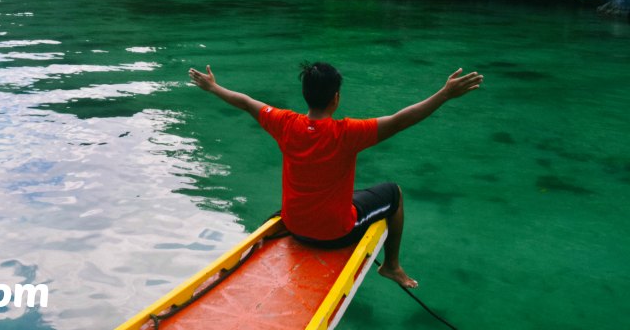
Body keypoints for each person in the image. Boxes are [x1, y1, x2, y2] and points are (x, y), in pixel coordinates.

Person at [187, 61, 482, 289]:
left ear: (306, 95)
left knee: (340, 193)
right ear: (336, 98)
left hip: (294, 226)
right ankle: (391, 265)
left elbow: (246, 102)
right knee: (394, 193)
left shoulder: (284, 123)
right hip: (334, 235)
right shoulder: (347, 133)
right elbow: (400, 120)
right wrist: (443, 94)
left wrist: (213, 87)